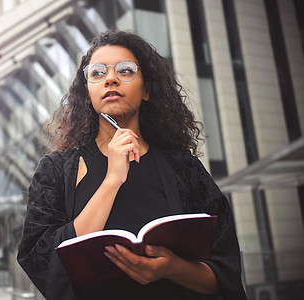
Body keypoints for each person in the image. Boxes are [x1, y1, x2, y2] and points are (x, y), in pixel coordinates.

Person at [17, 29, 247, 300]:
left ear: (147, 90)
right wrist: (112, 179)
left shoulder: (186, 169)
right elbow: (40, 261)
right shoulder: (56, 170)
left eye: (125, 71)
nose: (111, 79)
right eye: (97, 73)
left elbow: (226, 276)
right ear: (88, 93)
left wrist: (173, 268)